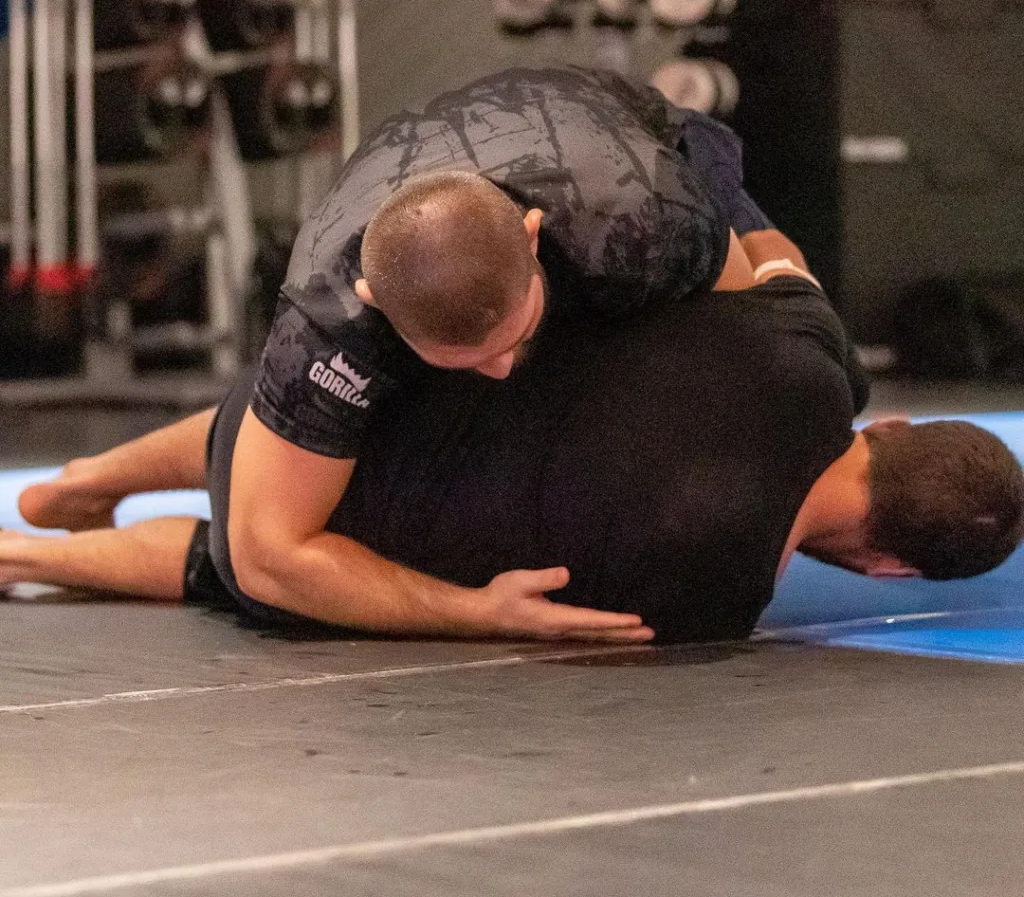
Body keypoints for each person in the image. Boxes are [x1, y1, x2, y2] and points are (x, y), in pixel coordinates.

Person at [8, 242, 1023, 642]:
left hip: (392, 404)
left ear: (887, 425)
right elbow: (560, 626)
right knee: (232, 561)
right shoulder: (713, 605)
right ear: (889, 568)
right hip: (385, 532)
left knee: (272, 433)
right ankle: (31, 554)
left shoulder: (809, 353)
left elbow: (757, 246)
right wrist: (482, 617)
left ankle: (88, 477)